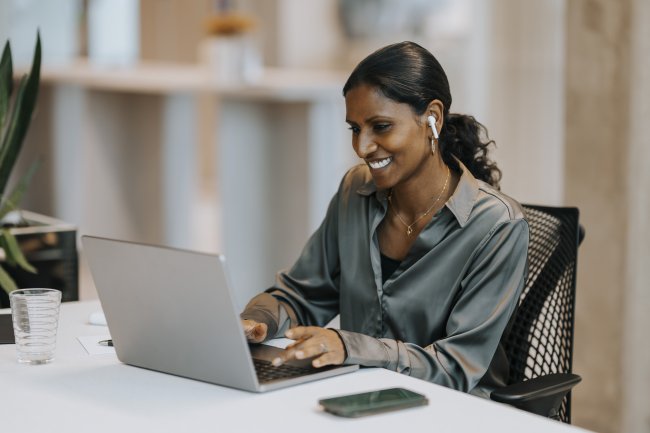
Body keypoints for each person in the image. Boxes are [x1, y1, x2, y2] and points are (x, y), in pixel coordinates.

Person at [240, 41, 529, 398]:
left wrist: (349, 347)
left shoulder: (498, 226)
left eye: (380, 126)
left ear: (432, 119)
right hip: (361, 400)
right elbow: (303, 294)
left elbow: (456, 367)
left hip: (451, 411)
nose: (362, 147)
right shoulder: (355, 193)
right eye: (355, 129)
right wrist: (258, 320)